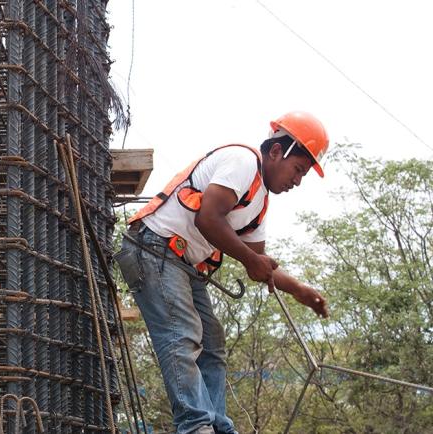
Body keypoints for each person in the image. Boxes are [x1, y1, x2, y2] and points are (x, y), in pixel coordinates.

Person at [115, 111, 330, 434]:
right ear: (276, 152)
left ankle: (215, 425)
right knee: (181, 332)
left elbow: (260, 261)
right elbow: (208, 219)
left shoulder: (259, 203)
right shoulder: (242, 162)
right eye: (298, 169)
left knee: (212, 342)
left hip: (179, 262)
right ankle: (196, 424)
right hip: (153, 247)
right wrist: (248, 259)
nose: (297, 181)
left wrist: (298, 289)